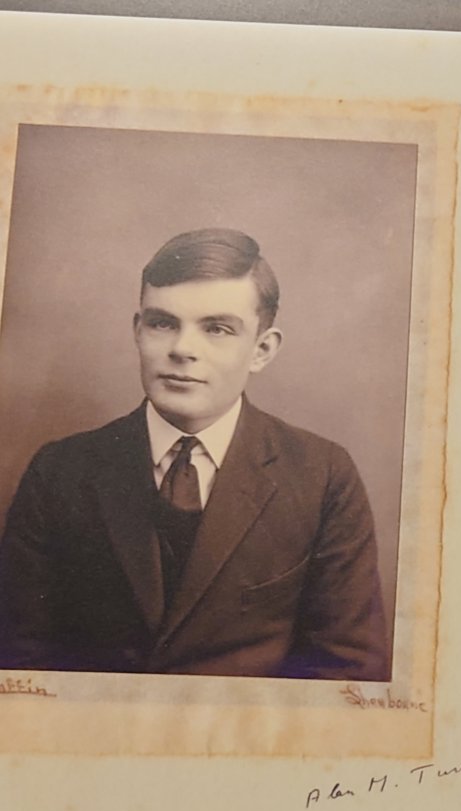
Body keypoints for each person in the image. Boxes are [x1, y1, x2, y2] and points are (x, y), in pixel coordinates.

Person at [0, 228, 388, 679]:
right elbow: (18, 663)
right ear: (137, 331)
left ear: (261, 350)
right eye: (162, 323)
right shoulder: (61, 470)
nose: (183, 350)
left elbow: (347, 672)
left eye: (218, 329)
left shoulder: (322, 476)